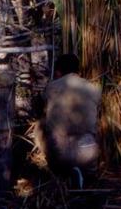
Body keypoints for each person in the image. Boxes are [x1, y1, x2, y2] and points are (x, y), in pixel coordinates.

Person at [41, 54, 102, 187]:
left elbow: (42, 102)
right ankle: (86, 177)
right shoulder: (93, 88)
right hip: (87, 149)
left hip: (59, 151)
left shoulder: (51, 87)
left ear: (58, 72)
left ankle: (66, 173)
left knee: (41, 127)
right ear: (78, 71)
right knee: (89, 177)